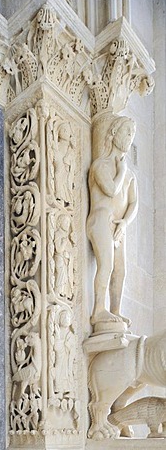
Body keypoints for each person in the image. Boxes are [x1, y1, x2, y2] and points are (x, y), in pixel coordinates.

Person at [87, 116, 138, 327]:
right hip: (100, 219)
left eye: (132, 134)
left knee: (120, 270)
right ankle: (98, 310)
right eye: (126, 132)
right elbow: (111, 190)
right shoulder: (101, 165)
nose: (129, 137)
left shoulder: (131, 176)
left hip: (118, 225)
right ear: (114, 132)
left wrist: (125, 222)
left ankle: (115, 310)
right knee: (106, 264)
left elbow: (134, 203)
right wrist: (122, 170)